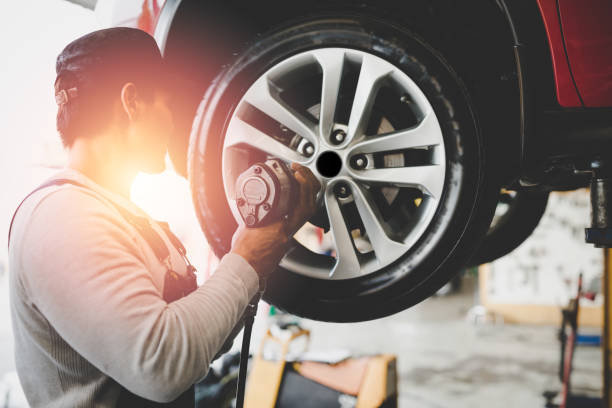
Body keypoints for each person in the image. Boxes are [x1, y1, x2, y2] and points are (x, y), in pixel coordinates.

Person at [8, 27, 320, 407]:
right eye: (168, 104)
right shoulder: (63, 216)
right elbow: (161, 366)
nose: (174, 123)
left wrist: (258, 254)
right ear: (132, 101)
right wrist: (246, 260)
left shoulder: (120, 216)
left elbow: (200, 343)